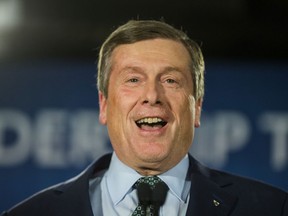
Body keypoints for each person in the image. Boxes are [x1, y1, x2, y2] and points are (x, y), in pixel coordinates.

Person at [1, 20, 287, 216]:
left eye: (171, 80)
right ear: (104, 104)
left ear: (197, 107)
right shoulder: (31, 214)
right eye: (134, 79)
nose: (152, 95)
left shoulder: (271, 208)